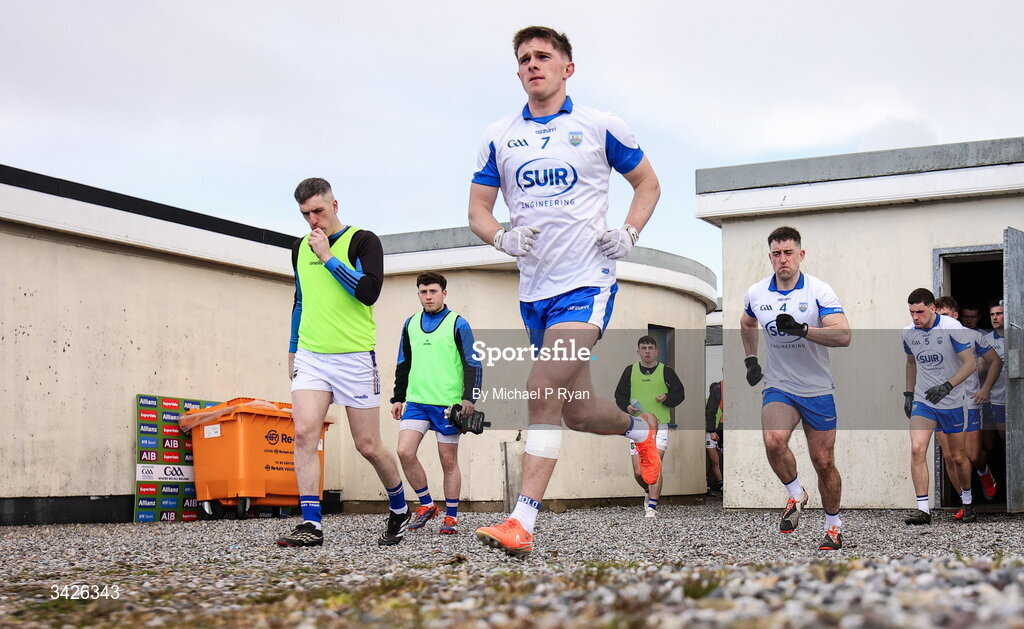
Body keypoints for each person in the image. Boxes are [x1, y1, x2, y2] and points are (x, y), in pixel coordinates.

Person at [467, 26, 662, 557]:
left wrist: (629, 232)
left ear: (566, 68)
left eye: (544, 56)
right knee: (578, 411)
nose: (533, 64)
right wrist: (501, 236)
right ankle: (640, 431)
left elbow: (648, 183)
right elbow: (477, 211)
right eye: (525, 59)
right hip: (536, 293)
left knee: (538, 386)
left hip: (587, 282)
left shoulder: (600, 126)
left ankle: (522, 520)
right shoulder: (499, 135)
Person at [276, 178, 411, 548]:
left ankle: (399, 507)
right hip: (311, 355)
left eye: (318, 211)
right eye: (305, 214)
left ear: (335, 205)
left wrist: (328, 258)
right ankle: (311, 524)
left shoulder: (364, 241)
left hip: (354, 357)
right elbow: (300, 300)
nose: (312, 221)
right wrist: (292, 348)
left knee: (367, 445)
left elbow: (369, 292)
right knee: (304, 432)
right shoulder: (298, 248)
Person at [740, 226, 851, 551]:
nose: (782, 259)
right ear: (770, 257)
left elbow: (844, 335)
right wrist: (750, 359)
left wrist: (804, 330)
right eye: (776, 254)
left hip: (817, 388)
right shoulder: (757, 293)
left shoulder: (819, 291)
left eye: (788, 252)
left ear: (800, 255)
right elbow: (746, 323)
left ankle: (833, 526)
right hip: (780, 385)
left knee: (824, 461)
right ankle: (796, 494)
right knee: (774, 441)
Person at [390, 272, 481, 536]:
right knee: (404, 452)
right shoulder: (410, 324)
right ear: (418, 294)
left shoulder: (458, 324)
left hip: (447, 405)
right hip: (417, 401)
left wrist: (469, 398)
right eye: (423, 292)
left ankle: (451, 517)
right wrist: (398, 397)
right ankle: (427, 505)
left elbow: (473, 364)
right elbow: (402, 363)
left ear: (444, 293)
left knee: (447, 460)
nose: (428, 296)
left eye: (433, 291)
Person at [902, 289, 978, 525]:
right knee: (917, 449)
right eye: (912, 312)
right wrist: (908, 393)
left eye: (920, 312)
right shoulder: (908, 333)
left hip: (952, 401)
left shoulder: (951, 328)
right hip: (924, 401)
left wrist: (947, 386)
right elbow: (911, 362)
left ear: (932, 308)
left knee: (957, 457)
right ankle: (923, 510)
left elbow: (971, 363)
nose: (916, 317)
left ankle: (968, 502)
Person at [934, 296, 1002, 516]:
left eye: (943, 315)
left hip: (969, 403)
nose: (939, 320)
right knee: (949, 455)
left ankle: (983, 470)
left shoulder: (972, 337)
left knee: (972, 456)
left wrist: (985, 389)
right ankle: (966, 503)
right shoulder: (929, 339)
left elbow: (996, 361)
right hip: (942, 405)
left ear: (954, 316)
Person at [614, 335, 685, 517]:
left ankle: (652, 507)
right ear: (638, 352)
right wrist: (626, 406)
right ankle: (648, 489)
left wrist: (667, 398)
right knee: (639, 471)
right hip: (637, 427)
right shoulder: (629, 371)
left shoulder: (666, 371)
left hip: (660, 425)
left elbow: (680, 393)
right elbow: (619, 395)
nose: (647, 351)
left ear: (656, 351)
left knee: (655, 464)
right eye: (643, 348)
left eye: (650, 348)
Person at [981, 301, 1008, 443]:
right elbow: (979, 370)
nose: (995, 317)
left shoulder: (1018, 337)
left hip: (1017, 397)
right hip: (997, 399)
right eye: (992, 314)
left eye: (999, 314)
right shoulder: (986, 340)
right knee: (1005, 441)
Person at [704, 381, 724, 496]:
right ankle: (722, 487)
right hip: (712, 433)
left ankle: (708, 485)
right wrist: (711, 431)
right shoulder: (711, 401)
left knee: (714, 463)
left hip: (717, 432)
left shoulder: (712, 399)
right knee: (715, 461)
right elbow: (709, 413)